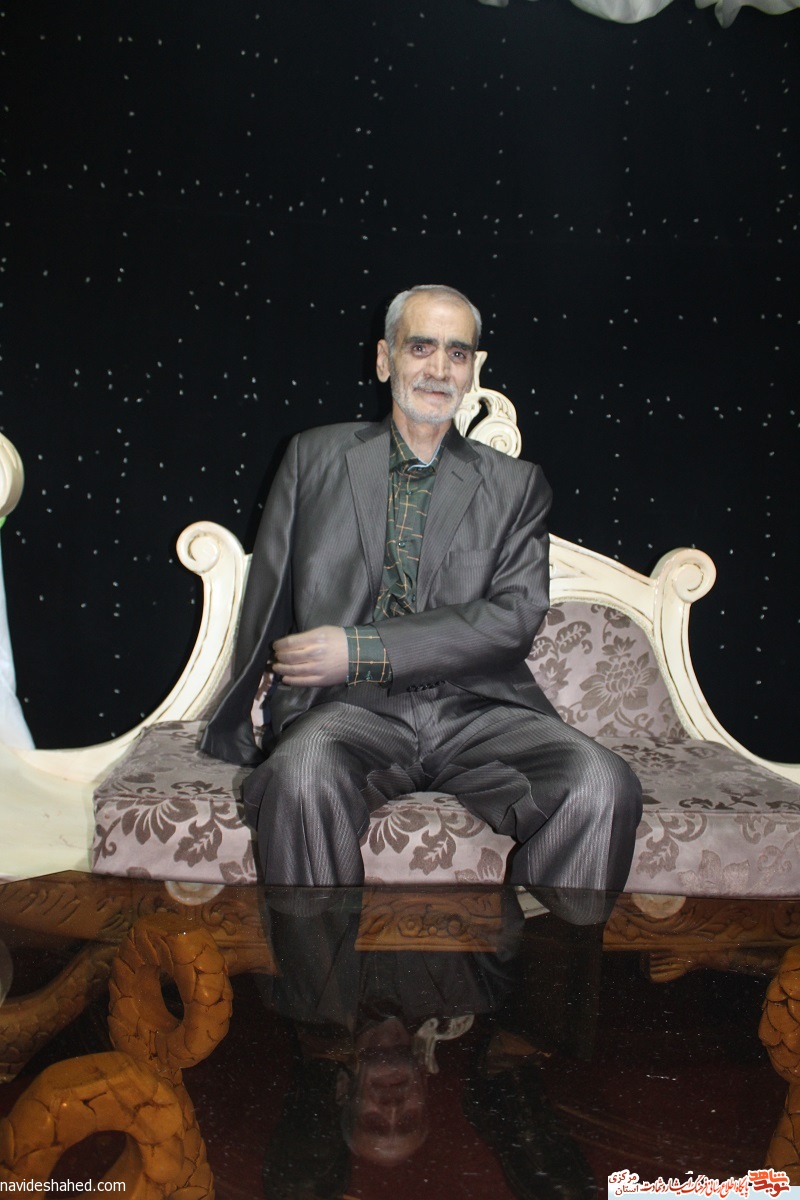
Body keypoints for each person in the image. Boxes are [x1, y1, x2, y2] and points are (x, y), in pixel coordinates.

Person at [201, 284, 642, 887]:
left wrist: (360, 648)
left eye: (457, 353)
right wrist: (237, 715)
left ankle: (540, 946)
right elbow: (271, 589)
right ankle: (321, 952)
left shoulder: (515, 485)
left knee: (602, 784)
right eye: (421, 347)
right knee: (300, 776)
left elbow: (515, 619)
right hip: (349, 710)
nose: (439, 368)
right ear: (385, 359)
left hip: (480, 710)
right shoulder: (312, 457)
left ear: (473, 369)